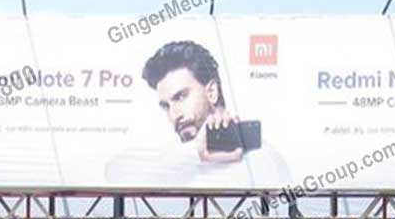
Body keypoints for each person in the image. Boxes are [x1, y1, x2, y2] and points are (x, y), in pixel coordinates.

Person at [105, 40, 291, 188]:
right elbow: (114, 171)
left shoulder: (260, 156)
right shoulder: (180, 157)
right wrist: (198, 150)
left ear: (211, 92)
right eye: (166, 106)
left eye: (181, 97)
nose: (174, 115)